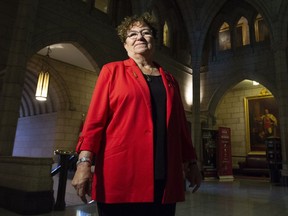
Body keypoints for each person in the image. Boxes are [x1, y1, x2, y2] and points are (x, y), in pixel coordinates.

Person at [71, 12, 201, 216]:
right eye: (132, 34)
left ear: (154, 41)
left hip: (163, 178)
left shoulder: (170, 80)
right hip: (121, 176)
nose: (139, 37)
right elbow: (94, 123)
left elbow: (181, 128)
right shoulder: (111, 71)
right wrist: (83, 163)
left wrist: (192, 162)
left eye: (145, 32)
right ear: (125, 45)